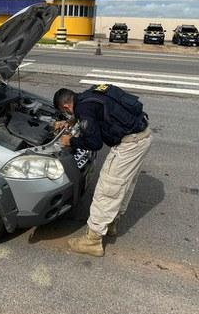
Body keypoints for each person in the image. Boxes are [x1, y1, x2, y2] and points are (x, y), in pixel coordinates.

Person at [54, 83, 152, 257]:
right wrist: (72, 121)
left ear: (66, 106)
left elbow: (95, 143)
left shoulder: (83, 108)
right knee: (123, 185)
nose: (68, 114)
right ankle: (112, 223)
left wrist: (71, 141)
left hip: (130, 144)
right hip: (143, 135)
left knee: (107, 189)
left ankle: (93, 240)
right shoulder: (90, 93)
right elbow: (96, 111)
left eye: (66, 112)